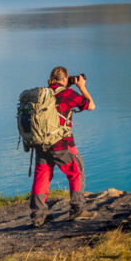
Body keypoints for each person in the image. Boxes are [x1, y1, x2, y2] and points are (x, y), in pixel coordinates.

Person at [30, 66, 97, 227]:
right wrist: (81, 87)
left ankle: (38, 216)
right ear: (65, 79)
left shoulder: (44, 94)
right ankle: (77, 210)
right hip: (59, 144)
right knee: (75, 172)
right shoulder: (67, 94)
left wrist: (67, 85)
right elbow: (90, 106)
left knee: (42, 176)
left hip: (40, 144)